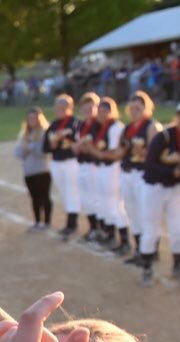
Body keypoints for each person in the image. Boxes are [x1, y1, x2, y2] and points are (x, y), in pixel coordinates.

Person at [137, 99, 180, 287]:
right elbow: (149, 164)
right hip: (153, 187)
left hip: (176, 189)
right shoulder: (165, 136)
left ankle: (177, 265)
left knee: (177, 227)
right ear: (177, 116)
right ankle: (147, 266)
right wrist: (172, 172)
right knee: (151, 227)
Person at [118, 91, 163, 267]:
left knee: (147, 214)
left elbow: (156, 156)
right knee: (132, 212)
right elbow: (121, 151)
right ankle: (139, 249)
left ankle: (152, 251)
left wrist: (142, 153)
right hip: (128, 173)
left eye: (139, 107)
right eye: (133, 107)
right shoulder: (128, 128)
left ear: (147, 108)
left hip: (144, 175)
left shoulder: (152, 126)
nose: (135, 110)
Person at [83, 97, 131, 256]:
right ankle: (110, 235)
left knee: (114, 204)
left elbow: (112, 154)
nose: (102, 114)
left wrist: (94, 151)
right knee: (104, 203)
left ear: (112, 112)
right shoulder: (100, 127)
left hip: (113, 169)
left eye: (106, 111)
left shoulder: (115, 127)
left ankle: (124, 241)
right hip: (102, 168)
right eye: (100, 111)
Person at [43, 94, 83, 236]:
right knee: (64, 191)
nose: (60, 109)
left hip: (71, 162)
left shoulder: (76, 123)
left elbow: (80, 143)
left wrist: (65, 137)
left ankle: (72, 223)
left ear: (70, 107)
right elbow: (45, 147)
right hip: (56, 162)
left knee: (72, 191)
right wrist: (53, 144)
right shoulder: (53, 125)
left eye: (63, 106)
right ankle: (70, 220)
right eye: (58, 106)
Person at [15, 107, 52, 231]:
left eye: (34, 117)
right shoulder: (24, 134)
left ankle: (46, 222)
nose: (32, 120)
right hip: (29, 172)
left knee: (44, 196)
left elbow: (43, 151)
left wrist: (29, 147)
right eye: (29, 118)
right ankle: (37, 221)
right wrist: (27, 148)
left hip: (42, 171)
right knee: (34, 197)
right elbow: (18, 153)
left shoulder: (45, 132)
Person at [71, 92, 102, 243]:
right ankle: (93, 228)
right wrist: (82, 144)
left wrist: (82, 145)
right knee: (86, 198)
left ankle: (102, 229)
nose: (88, 110)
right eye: (85, 107)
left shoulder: (99, 124)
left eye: (92, 107)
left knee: (97, 198)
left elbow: (94, 147)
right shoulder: (80, 125)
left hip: (95, 165)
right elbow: (76, 148)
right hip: (82, 165)